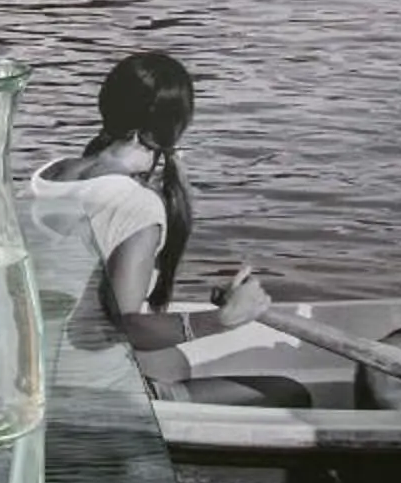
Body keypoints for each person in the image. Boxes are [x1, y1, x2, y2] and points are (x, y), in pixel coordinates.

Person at [21, 51, 268, 395]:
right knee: (289, 392)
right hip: (89, 392)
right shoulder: (137, 204)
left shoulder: (48, 175)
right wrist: (220, 320)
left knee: (174, 363)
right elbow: (127, 325)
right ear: (174, 127)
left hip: (29, 375)